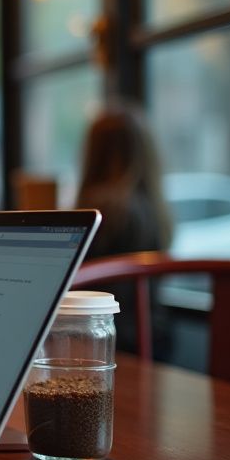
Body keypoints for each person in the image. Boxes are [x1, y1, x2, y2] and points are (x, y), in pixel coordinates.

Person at [74, 104, 175, 354]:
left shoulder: (98, 212)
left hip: (105, 340)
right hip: (153, 337)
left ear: (93, 154)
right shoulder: (153, 211)